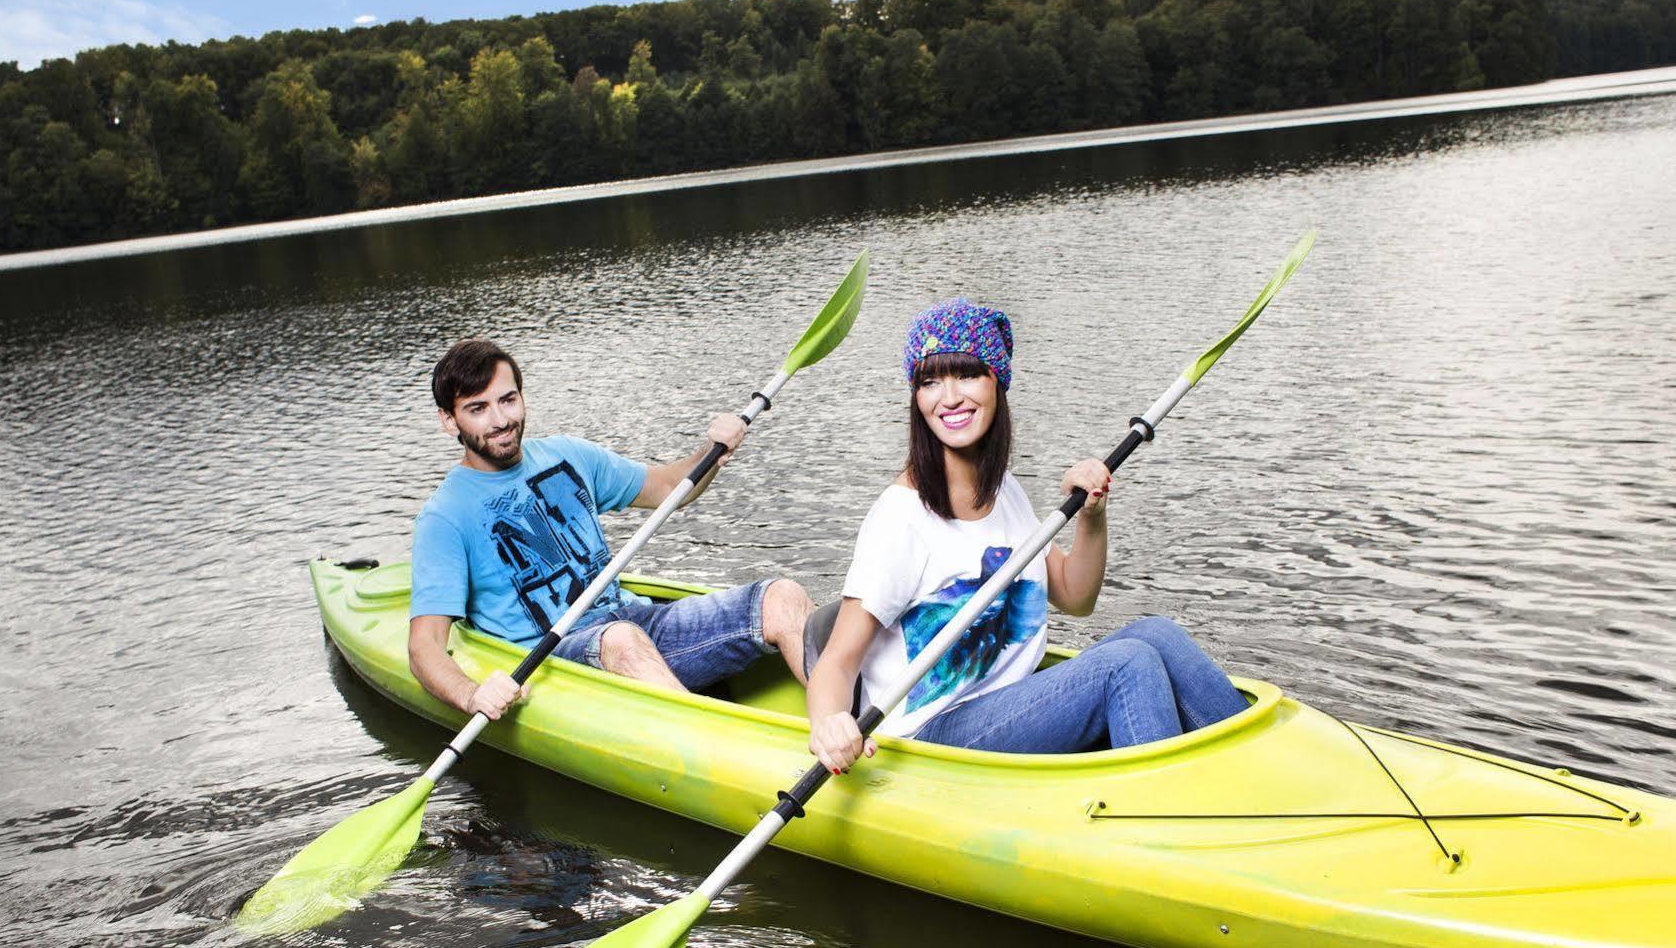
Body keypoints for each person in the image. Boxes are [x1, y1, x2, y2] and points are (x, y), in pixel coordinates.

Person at [806, 300, 1246, 771]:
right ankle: (1166, 819)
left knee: (1156, 634)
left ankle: (1249, 768)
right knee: (1128, 664)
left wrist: (1092, 515)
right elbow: (836, 661)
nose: (949, 397)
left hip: (1009, 700)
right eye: (930, 381)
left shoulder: (1004, 490)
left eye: (968, 375)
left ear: (997, 382)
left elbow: (1075, 597)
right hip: (931, 732)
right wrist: (828, 724)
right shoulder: (901, 517)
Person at [409, 338, 813, 725]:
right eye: (478, 408)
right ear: (449, 420)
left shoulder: (568, 454)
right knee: (620, 639)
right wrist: (471, 694)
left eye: (508, 400)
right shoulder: (444, 517)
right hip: (551, 662)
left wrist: (714, 451)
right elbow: (424, 646)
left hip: (633, 621)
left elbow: (669, 488)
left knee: (783, 597)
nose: (500, 421)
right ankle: (719, 756)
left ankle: (846, 725)